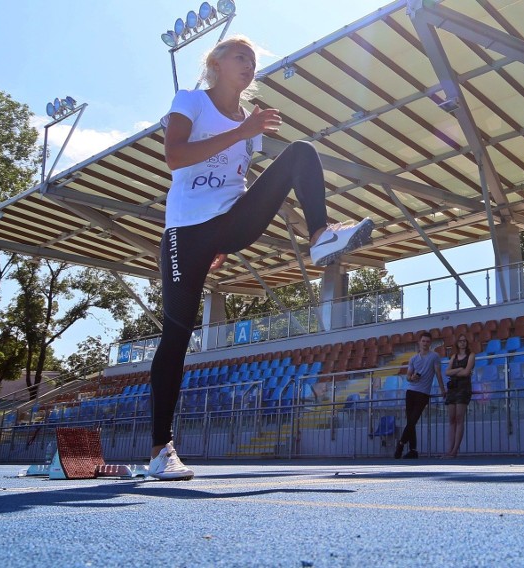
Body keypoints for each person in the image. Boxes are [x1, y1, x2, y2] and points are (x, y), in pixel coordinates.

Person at [148, 35, 374, 480]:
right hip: (185, 236)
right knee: (175, 338)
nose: (249, 65)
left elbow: (234, 187)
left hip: (227, 226)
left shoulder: (247, 126)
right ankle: (160, 449)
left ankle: (321, 234)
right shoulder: (191, 101)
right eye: (240, 57)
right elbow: (175, 157)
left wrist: (228, 232)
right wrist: (242, 132)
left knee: (301, 153)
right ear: (215, 62)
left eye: (253, 60)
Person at [394, 331, 446, 459]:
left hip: (423, 392)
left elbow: (438, 373)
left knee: (413, 420)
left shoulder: (434, 356)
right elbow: (408, 376)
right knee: (410, 421)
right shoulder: (413, 358)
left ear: (430, 343)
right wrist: (412, 378)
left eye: (427, 341)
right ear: (419, 342)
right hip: (411, 391)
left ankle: (401, 443)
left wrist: (442, 389)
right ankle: (413, 449)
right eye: (423, 341)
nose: (425, 343)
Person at [443, 334, 475, 458]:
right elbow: (447, 372)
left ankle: (454, 450)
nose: (462, 343)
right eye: (460, 341)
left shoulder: (471, 355)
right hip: (453, 388)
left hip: (463, 388)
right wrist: (459, 369)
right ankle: (449, 449)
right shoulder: (453, 357)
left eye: (464, 341)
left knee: (459, 418)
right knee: (452, 419)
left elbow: (467, 372)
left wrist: (455, 372)